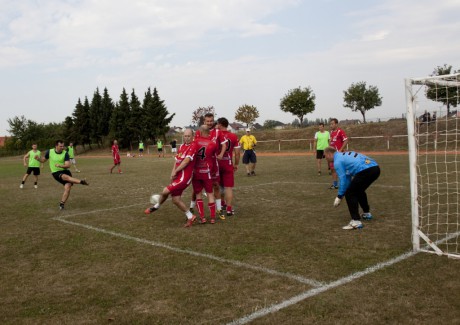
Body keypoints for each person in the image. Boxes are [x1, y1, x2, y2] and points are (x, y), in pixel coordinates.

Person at [144, 128, 199, 227]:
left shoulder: (193, 146)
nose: (186, 138)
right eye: (185, 136)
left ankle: (156, 206)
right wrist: (173, 172)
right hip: (178, 176)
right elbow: (177, 161)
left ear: (192, 136)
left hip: (184, 177)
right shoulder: (182, 146)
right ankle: (190, 217)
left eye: (188, 136)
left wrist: (177, 171)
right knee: (175, 199)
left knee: (165, 191)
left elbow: (186, 161)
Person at [324, 146, 380, 230]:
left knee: (350, 193)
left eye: (325, 156)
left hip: (365, 170)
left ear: (329, 154)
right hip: (375, 168)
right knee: (358, 190)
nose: (325, 158)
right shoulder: (343, 155)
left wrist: (339, 196)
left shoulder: (337, 161)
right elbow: (347, 177)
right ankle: (366, 213)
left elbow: (343, 179)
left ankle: (356, 221)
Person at [35, 140, 89, 210]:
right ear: (56, 146)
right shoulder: (50, 152)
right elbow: (43, 160)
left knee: (68, 188)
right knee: (65, 177)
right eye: (60, 146)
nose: (62, 147)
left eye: (63, 146)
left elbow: (68, 165)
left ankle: (62, 204)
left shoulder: (65, 153)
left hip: (65, 171)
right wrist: (38, 159)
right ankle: (81, 182)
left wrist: (60, 165)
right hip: (56, 172)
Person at [191, 113, 227, 216]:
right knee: (197, 188)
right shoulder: (198, 132)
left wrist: (220, 154)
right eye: (207, 121)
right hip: (200, 164)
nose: (210, 123)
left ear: (213, 120)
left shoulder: (218, 132)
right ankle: (191, 207)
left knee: (215, 185)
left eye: (211, 121)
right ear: (204, 121)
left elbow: (224, 145)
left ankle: (219, 210)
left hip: (213, 164)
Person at [192, 125, 219, 224]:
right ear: (209, 133)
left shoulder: (195, 142)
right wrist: (215, 173)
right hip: (207, 172)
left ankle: (202, 217)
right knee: (210, 194)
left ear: (200, 132)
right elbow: (214, 159)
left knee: (198, 194)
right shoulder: (212, 144)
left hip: (196, 172)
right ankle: (212, 218)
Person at [216, 117, 241, 218]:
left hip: (217, 163)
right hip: (228, 163)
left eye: (217, 124)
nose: (216, 126)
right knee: (228, 187)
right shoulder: (233, 136)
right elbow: (238, 153)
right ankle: (229, 209)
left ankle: (222, 205)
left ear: (221, 124)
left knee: (218, 186)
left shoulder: (217, 135)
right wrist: (236, 164)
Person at [329, 118, 348, 189]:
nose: (331, 125)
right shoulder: (331, 132)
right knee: (333, 169)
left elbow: (346, 140)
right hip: (332, 155)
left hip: (339, 155)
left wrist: (340, 149)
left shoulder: (340, 131)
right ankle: (335, 184)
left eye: (332, 124)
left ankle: (345, 184)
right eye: (330, 124)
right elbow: (331, 142)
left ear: (336, 124)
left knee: (342, 170)